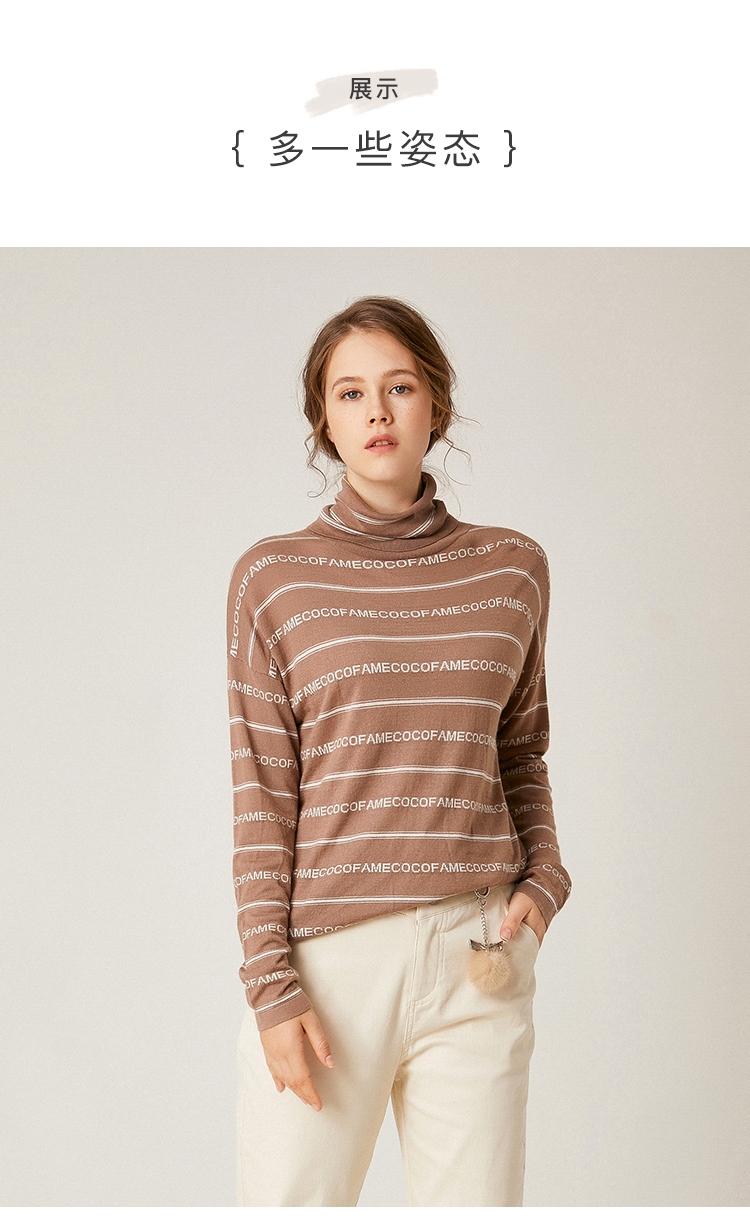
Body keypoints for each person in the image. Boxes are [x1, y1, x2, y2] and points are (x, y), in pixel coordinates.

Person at [227, 296, 571, 1207]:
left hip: (477, 952)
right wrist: (270, 985)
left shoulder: (513, 569)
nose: (377, 411)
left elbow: (520, 751)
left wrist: (545, 880)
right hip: (328, 970)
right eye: (350, 393)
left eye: (400, 387)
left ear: (436, 404)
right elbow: (263, 795)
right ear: (324, 420)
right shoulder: (273, 578)